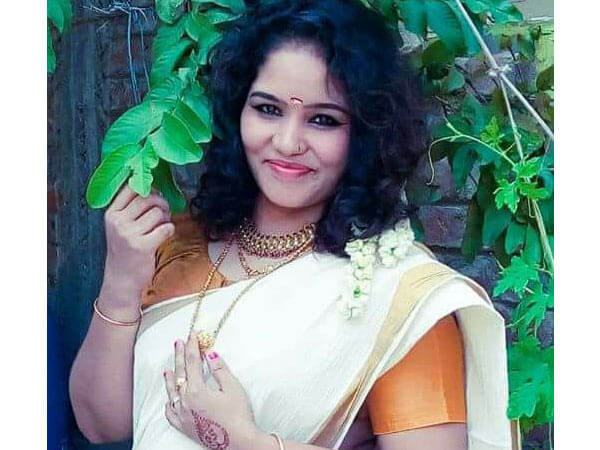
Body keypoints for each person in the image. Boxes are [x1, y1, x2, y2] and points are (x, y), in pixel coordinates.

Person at [69, 1, 513, 449]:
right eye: (268, 109)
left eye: (323, 119)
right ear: (237, 112)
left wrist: (246, 442)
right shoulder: (181, 245)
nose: (287, 142)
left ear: (364, 135)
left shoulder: (397, 299)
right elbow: (101, 425)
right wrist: (120, 284)